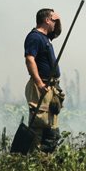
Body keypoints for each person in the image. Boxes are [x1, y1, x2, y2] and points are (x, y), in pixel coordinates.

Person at [24, 8, 64, 152]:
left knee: (51, 126)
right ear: (47, 20)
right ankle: (36, 158)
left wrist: (57, 19)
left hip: (50, 87)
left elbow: (57, 32)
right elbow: (30, 60)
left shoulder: (45, 38)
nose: (56, 23)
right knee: (39, 124)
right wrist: (40, 84)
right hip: (41, 85)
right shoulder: (35, 37)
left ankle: (45, 159)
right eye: (53, 20)